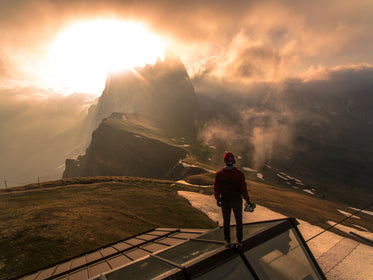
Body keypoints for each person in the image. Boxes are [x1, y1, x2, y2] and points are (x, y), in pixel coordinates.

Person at [214, 152, 254, 248]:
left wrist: (218, 199)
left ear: (224, 161)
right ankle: (239, 242)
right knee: (238, 221)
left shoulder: (219, 174)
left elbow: (216, 188)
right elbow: (243, 189)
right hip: (237, 201)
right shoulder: (240, 174)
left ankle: (227, 242)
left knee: (226, 221)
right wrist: (248, 200)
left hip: (225, 200)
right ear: (233, 161)